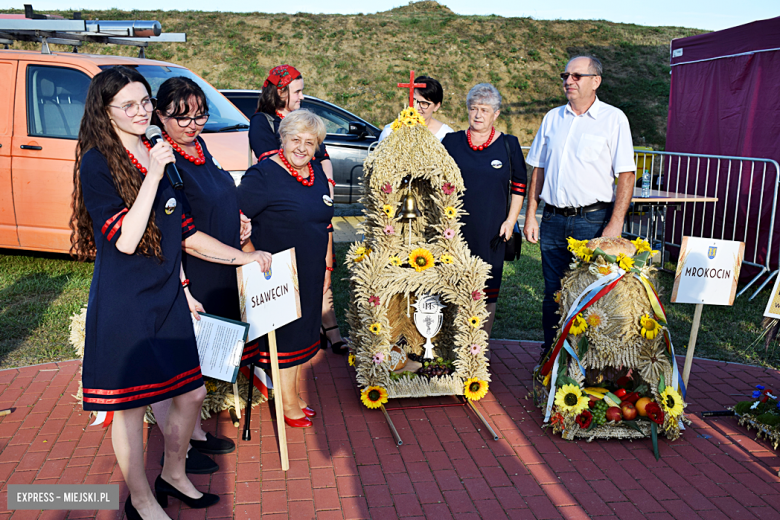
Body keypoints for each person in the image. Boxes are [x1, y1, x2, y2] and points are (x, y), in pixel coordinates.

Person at [70, 66, 218, 520]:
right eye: (128, 105)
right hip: (126, 301)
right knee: (131, 408)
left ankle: (173, 473)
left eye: (143, 101)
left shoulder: (159, 151)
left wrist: (243, 257)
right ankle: (140, 499)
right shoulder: (99, 161)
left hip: (167, 293)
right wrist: (154, 174)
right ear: (106, 111)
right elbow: (126, 239)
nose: (140, 111)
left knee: (191, 393)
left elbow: (183, 230)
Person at [148, 76, 273, 474]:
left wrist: (239, 220)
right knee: (184, 370)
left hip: (220, 267)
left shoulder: (201, 148)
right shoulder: (164, 160)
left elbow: (219, 194)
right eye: (180, 117)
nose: (192, 125)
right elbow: (182, 235)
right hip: (191, 272)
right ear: (159, 114)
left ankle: (193, 434)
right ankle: (177, 451)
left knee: (204, 364)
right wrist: (241, 257)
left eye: (199, 115)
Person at [523, 56, 636, 357]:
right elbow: (538, 169)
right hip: (553, 220)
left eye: (576, 76)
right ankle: (553, 358)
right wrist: (531, 214)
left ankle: (592, 360)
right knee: (554, 294)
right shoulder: (552, 118)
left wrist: (615, 223)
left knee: (594, 294)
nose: (568, 81)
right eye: (565, 75)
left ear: (595, 81)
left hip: (593, 220)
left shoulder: (614, 119)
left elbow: (626, 173)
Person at [237, 110, 333, 427]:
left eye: (310, 142)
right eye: (296, 140)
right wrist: (251, 254)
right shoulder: (263, 175)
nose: (302, 148)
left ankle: (291, 392)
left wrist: (327, 267)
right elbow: (236, 218)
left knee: (303, 336)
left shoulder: (317, 173)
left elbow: (325, 222)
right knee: (287, 338)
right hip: (277, 274)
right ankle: (286, 400)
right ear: (283, 139)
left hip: (310, 269)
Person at [249, 64, 347, 355]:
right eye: (298, 91)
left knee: (320, 264)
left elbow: (323, 156)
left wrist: (326, 185)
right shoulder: (263, 122)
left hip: (312, 199)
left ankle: (324, 329)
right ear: (281, 92)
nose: (302, 96)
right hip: (284, 210)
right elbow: (281, 163)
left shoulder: (304, 123)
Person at [442, 83, 527, 337]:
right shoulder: (451, 142)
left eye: (485, 110)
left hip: (492, 229)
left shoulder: (509, 145)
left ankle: (481, 345)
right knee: (455, 285)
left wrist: (511, 221)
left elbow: (519, 187)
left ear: (496, 114)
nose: (478, 115)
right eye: (473, 108)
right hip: (455, 229)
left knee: (488, 287)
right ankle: (455, 341)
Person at [378, 76, 454, 142]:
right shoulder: (390, 131)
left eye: (424, 103)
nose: (417, 107)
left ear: (437, 106)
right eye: (414, 101)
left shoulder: (446, 135)